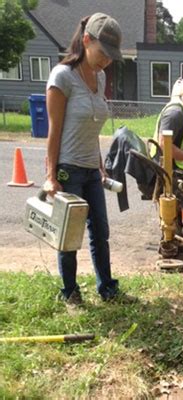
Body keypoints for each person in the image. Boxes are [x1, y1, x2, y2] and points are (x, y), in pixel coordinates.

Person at [43, 13, 123, 303]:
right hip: (68, 169)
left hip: (91, 169)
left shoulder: (100, 78)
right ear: (86, 40)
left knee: (100, 231)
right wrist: (52, 176)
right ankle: (69, 291)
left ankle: (107, 287)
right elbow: (54, 131)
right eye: (103, 53)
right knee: (70, 236)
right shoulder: (62, 77)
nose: (107, 61)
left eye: (112, 56)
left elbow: (91, 128)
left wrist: (100, 168)